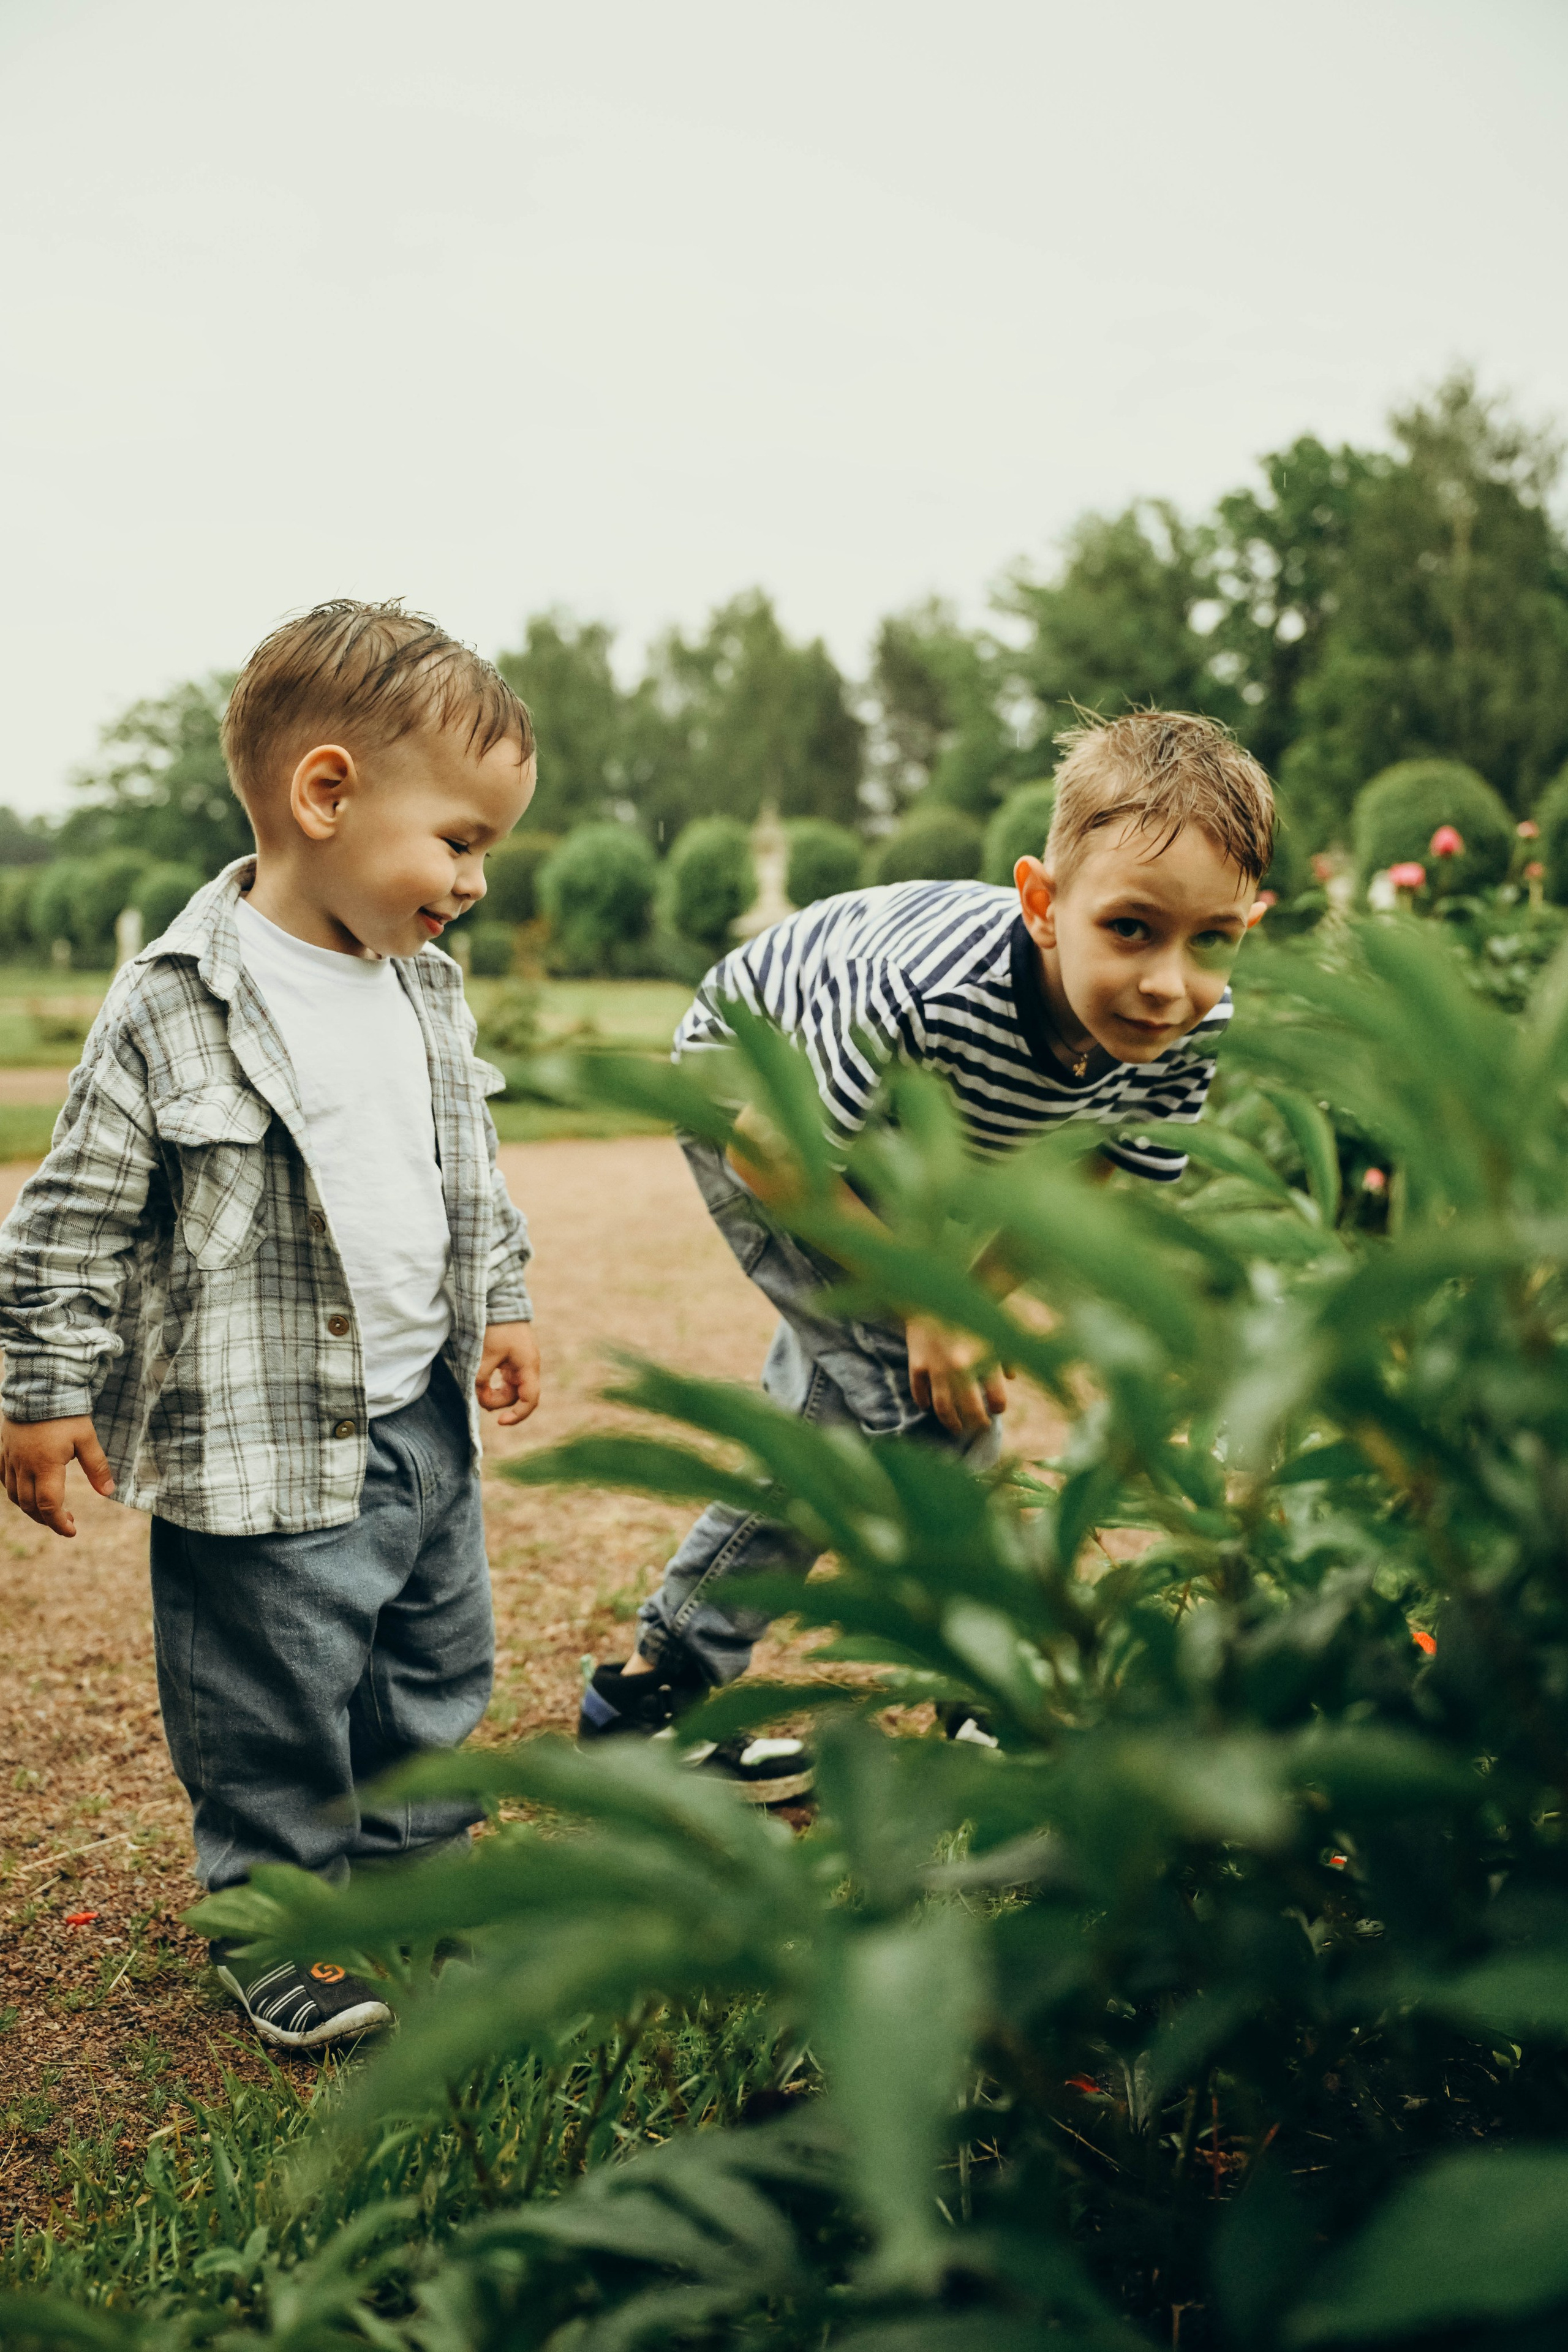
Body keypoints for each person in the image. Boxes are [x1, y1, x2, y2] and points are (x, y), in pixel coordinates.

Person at [0, 600, 541, 2048]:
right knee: (271, 1699)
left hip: (417, 1418)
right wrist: (41, 1388)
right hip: (254, 1444)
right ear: (325, 794)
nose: (476, 880)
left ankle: (416, 1875)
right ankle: (277, 1917)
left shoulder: (425, 989)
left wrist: (501, 1301)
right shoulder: (171, 1005)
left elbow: (466, 1167)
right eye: (461, 840)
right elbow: (72, 1214)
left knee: (433, 1668)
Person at [578, 710, 1274, 1793]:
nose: (1167, 984)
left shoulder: (1196, 1021)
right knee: (933, 1419)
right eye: (1131, 929)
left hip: (907, 1147)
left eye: (1211, 940)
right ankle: (1002, 1700)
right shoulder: (930, 994)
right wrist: (928, 1306)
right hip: (762, 1103)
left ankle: (650, 1701)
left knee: (833, 1420)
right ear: (1043, 903)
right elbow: (772, 1155)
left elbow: (1084, 1177)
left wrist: (966, 1301)